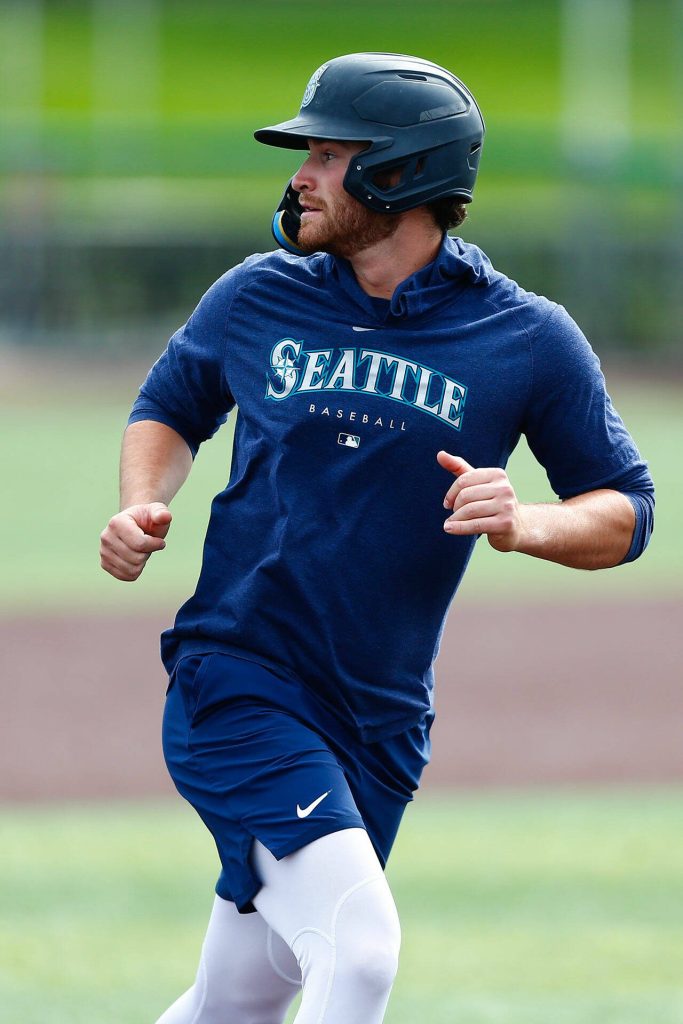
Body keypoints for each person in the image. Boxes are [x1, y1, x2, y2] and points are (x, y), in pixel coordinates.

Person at [100, 52, 654, 1024]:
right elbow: (168, 407)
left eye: (325, 153)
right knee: (357, 958)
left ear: (399, 174)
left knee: (242, 994)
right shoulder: (258, 294)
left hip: (379, 720)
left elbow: (624, 509)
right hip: (237, 681)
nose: (300, 176)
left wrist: (524, 523)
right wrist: (142, 500)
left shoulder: (523, 338)